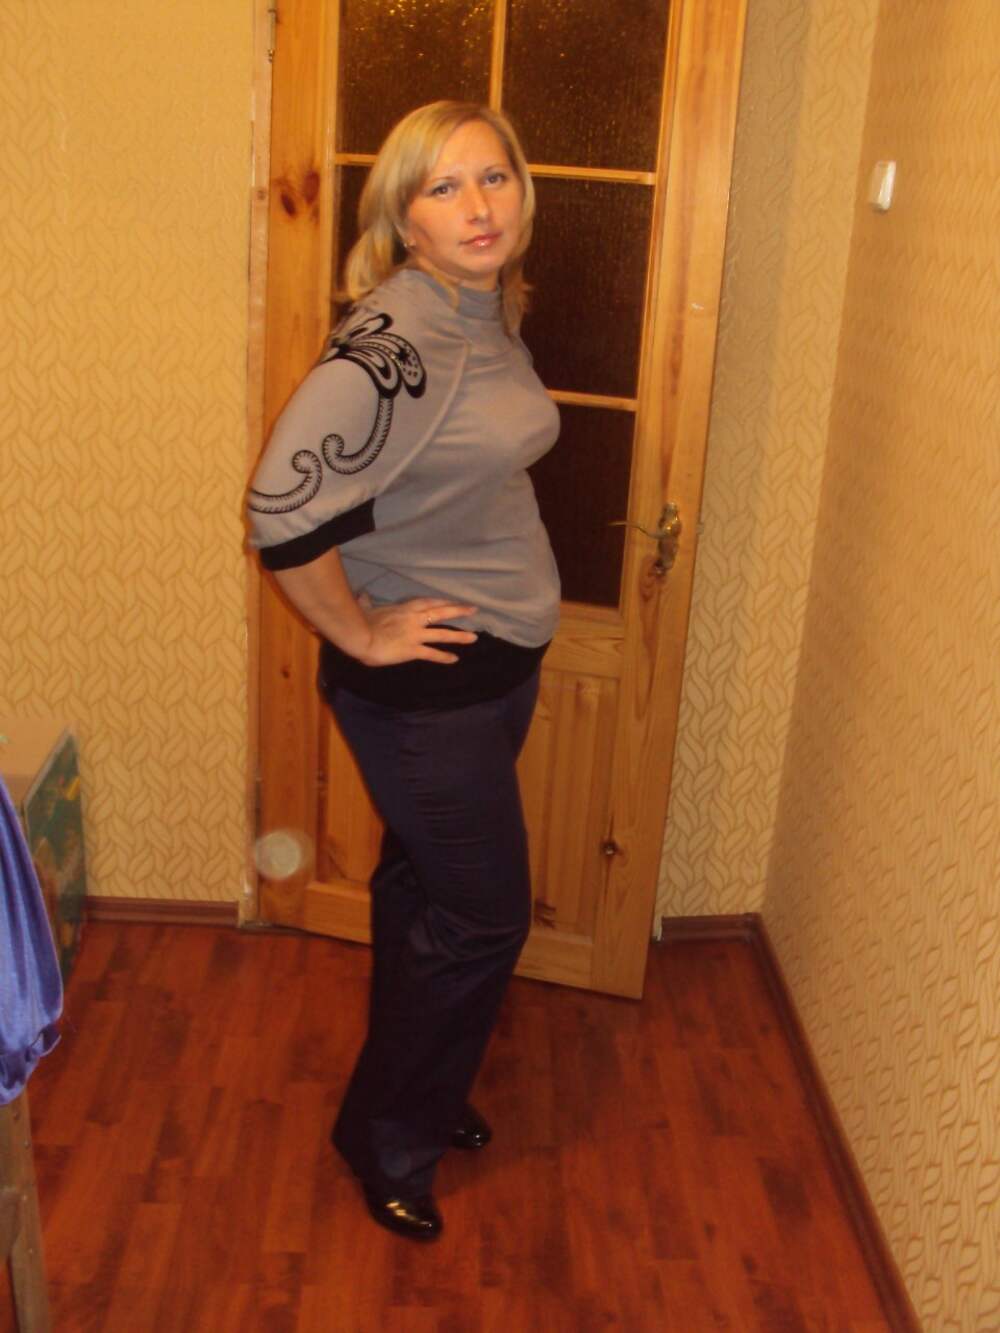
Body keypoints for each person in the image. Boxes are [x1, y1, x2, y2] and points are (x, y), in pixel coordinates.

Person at [246, 101, 560, 1241]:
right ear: (403, 218)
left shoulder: (485, 307)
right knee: (483, 916)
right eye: (443, 187)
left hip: (489, 664)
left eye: (494, 178)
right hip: (428, 693)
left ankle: (412, 1090)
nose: (478, 207)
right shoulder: (399, 340)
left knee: (425, 895)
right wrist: (360, 631)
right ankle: (387, 1136)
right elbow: (280, 506)